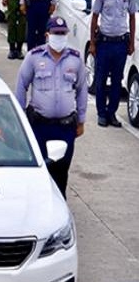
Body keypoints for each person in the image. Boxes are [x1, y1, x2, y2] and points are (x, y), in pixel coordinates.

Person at [15, 16, 87, 198]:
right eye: (56, 33)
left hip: (65, 127)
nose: (60, 36)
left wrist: (81, 120)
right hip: (40, 125)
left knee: (62, 171)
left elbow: (81, 91)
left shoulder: (75, 59)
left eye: (63, 33)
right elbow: (22, 86)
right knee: (40, 170)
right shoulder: (34, 57)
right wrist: (20, 117)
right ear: (48, 35)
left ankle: (59, 205)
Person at [90, 0, 136, 127]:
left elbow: (132, 17)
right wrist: (93, 44)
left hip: (120, 44)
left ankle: (112, 113)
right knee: (101, 79)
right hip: (104, 43)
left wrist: (131, 43)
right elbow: (95, 17)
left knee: (117, 81)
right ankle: (101, 113)